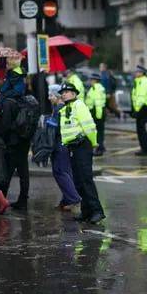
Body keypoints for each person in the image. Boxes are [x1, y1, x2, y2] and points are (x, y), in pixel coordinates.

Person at [59, 82, 105, 224]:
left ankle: (97, 211)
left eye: (67, 92)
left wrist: (94, 143)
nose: (63, 94)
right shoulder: (66, 108)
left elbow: (89, 126)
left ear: (74, 94)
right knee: (78, 181)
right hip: (72, 148)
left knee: (86, 180)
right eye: (62, 92)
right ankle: (86, 211)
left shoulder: (79, 105)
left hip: (82, 145)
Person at [0, 66, 32, 210]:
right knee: (23, 172)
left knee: (7, 172)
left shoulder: (9, 100)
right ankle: (23, 200)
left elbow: (5, 125)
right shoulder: (27, 96)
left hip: (12, 142)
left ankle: (1, 200)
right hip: (24, 140)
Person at [47, 84, 81, 211]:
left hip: (59, 144)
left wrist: (46, 123)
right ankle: (67, 200)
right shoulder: (63, 107)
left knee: (60, 172)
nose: (49, 98)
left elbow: (54, 128)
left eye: (51, 95)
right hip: (64, 144)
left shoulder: (59, 108)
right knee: (65, 171)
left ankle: (73, 199)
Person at [131, 65, 147, 156]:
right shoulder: (139, 81)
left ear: (142, 73)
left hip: (142, 107)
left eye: (137, 72)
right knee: (141, 128)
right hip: (142, 107)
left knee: (140, 129)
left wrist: (136, 110)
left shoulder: (143, 82)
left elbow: (141, 97)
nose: (136, 73)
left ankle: (145, 148)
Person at [85, 73, 107, 156]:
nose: (90, 81)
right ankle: (101, 147)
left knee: (98, 132)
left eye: (91, 79)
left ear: (95, 80)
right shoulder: (95, 88)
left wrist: (98, 116)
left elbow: (98, 103)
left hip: (97, 112)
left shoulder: (96, 88)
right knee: (99, 131)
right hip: (97, 112)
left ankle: (99, 149)